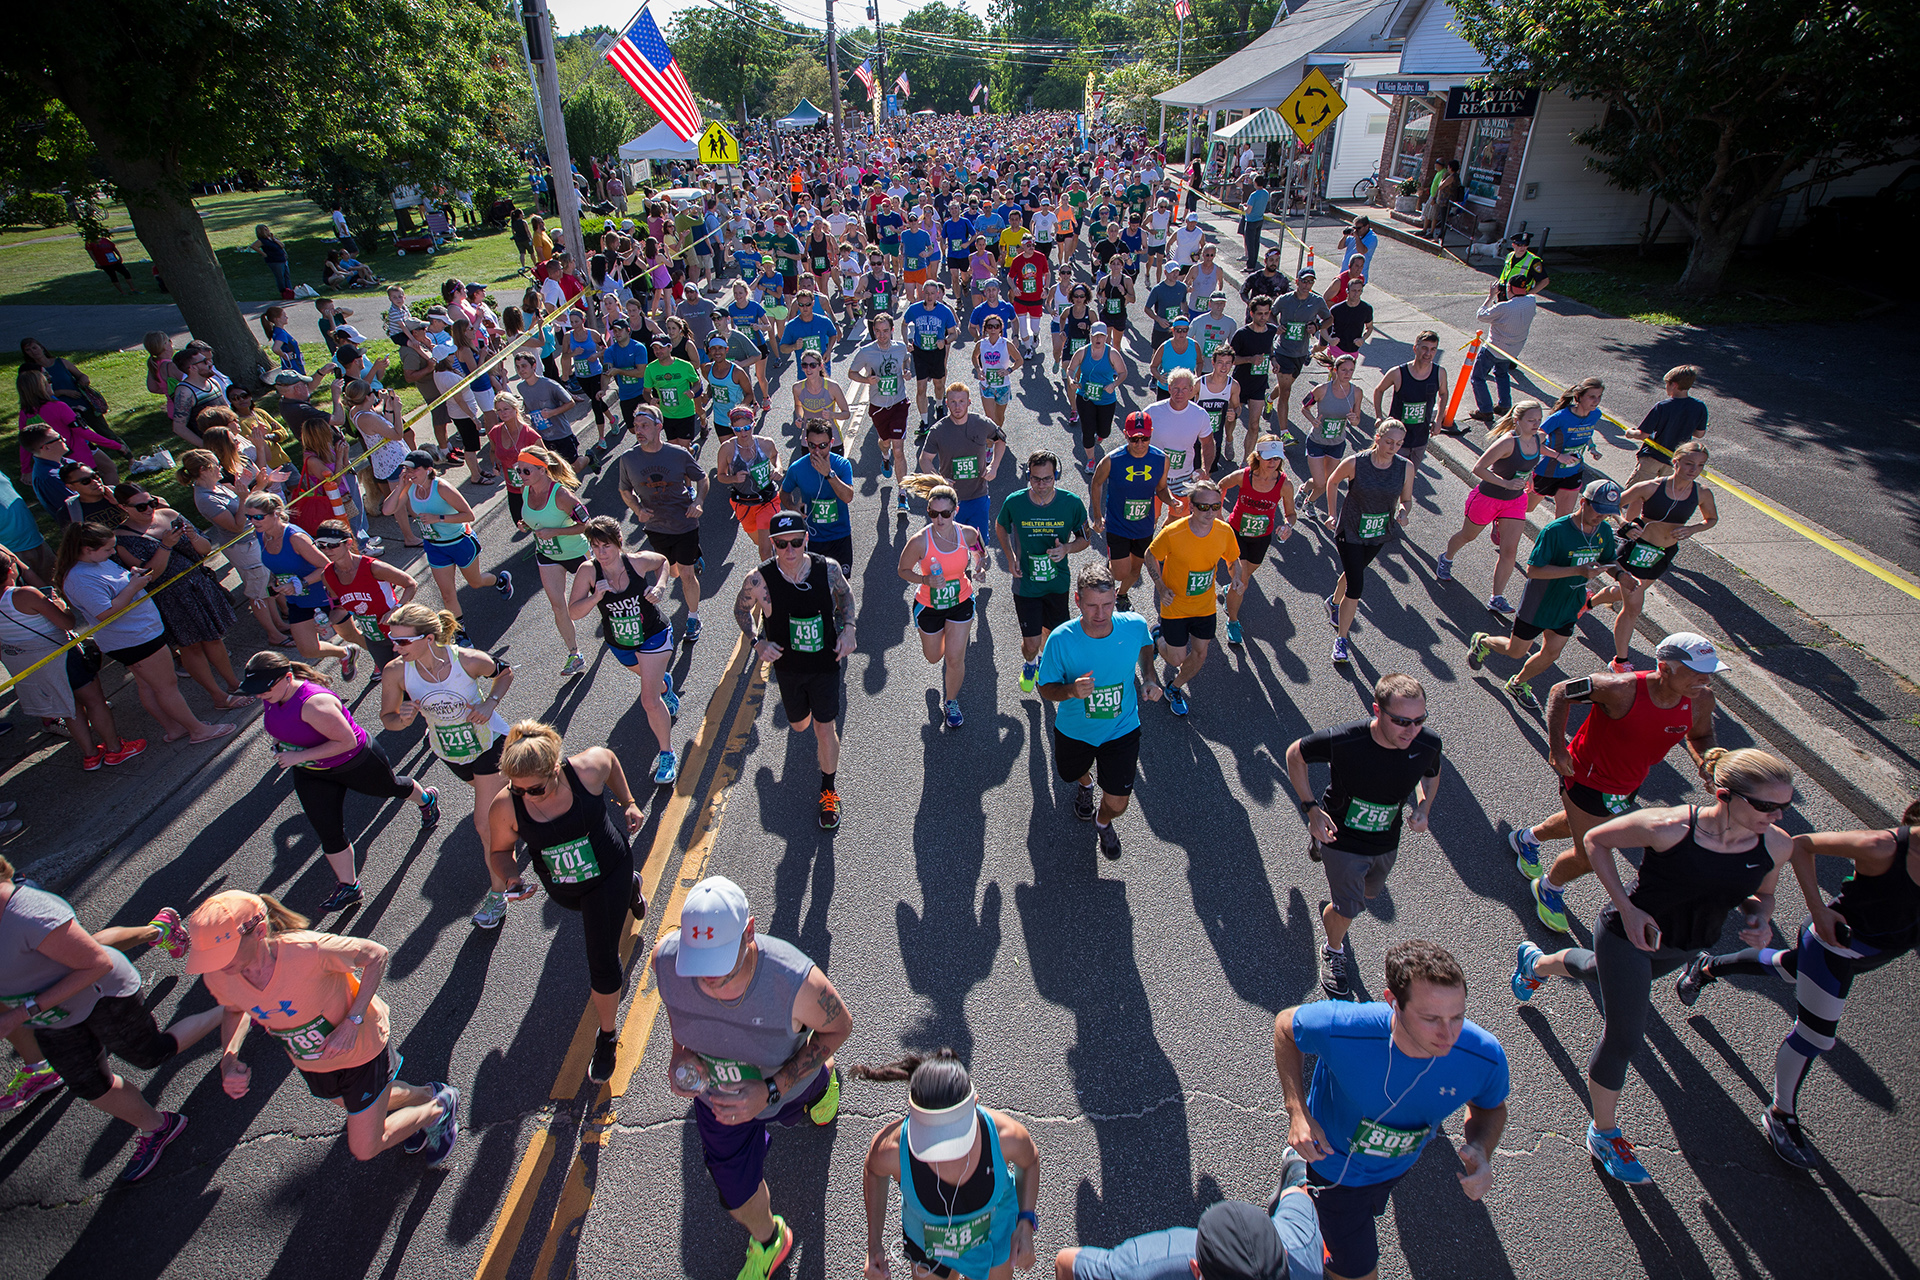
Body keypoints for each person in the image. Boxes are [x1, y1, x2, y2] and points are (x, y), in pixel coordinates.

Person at [1511, 748, 1794, 1185]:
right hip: (1627, 934)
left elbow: (1762, 894)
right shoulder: (1670, 826)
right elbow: (1595, 840)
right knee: (1624, 1037)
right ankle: (1603, 1134)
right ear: (1725, 795)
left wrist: (1759, 918)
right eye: (1765, 805)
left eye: (1784, 806)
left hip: (1684, 945)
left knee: (1592, 970)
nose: (1776, 816)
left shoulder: (1775, 844)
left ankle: (1536, 964)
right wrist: (1626, 908)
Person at [1678, 801, 1920, 1169]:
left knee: (1789, 968)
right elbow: (1802, 844)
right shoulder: (1881, 846)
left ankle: (1707, 967)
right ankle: (1780, 1115)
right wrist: (1819, 909)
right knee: (1815, 1036)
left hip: (1873, 953)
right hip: (1833, 946)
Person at [654, 875, 853, 1280]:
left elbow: (839, 1028)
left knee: (809, 1083)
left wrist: (772, 1090)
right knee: (734, 1196)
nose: (706, 978)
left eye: (718, 961)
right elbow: (679, 1022)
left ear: (749, 932)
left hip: (785, 1084)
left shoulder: (796, 981)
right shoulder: (666, 963)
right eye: (698, 962)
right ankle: (770, 1239)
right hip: (719, 1103)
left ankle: (823, 1084)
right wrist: (681, 1058)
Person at [1274, 940, 1508, 1280]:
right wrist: (1297, 1112)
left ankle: (1295, 1181)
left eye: (1457, 1016)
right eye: (1431, 1018)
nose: (1449, 1034)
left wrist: (1483, 1149)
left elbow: (1491, 1108)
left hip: (1396, 1168)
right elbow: (1285, 1026)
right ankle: (1301, 1184)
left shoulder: (1484, 1056)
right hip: (1334, 1169)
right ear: (1393, 1003)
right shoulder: (1343, 1028)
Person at [190, 889, 457, 1165]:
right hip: (315, 1062)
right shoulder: (221, 976)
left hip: (361, 1049)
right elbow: (234, 1009)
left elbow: (376, 955)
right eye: (210, 956)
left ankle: (440, 1108)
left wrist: (352, 1021)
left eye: (224, 952)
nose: (216, 965)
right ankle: (427, 1095)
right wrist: (229, 1059)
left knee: (365, 1147)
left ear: (258, 932)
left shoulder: (307, 951)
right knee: (360, 1102)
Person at [0, 859, 227, 1180]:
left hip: (100, 995)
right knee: (88, 1084)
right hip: (54, 1015)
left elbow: (96, 963)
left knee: (151, 1054)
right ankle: (159, 1127)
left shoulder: (27, 912)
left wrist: (22, 1014)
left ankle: (235, 1007)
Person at [1513, 631, 1723, 933]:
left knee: (1582, 822)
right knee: (1588, 855)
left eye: (1709, 674)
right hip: (1587, 776)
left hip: (1628, 783)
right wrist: (1557, 747)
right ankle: (1549, 887)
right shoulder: (1620, 688)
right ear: (1664, 668)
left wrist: (1708, 762)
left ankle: (1527, 838)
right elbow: (1561, 691)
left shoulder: (1701, 699)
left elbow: (1701, 736)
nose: (1704, 681)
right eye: (1696, 674)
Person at [486, 722, 649, 1077]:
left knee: (602, 960)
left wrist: (630, 803)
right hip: (564, 888)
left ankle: (606, 1037)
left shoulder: (586, 770)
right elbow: (498, 851)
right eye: (518, 788)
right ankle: (630, 891)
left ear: (556, 769)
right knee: (597, 913)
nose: (526, 795)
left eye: (536, 789)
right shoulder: (506, 806)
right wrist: (512, 876)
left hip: (608, 870)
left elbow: (610, 760)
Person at [1285, 674, 1445, 1000]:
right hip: (1342, 835)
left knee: (1370, 895)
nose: (1411, 730)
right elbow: (1294, 755)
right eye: (1401, 721)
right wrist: (1312, 809)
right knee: (1348, 908)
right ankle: (1333, 949)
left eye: (1419, 720)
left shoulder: (1427, 743)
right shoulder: (1346, 740)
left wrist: (1425, 807)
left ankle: (1333, 884)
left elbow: (1431, 774)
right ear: (1377, 710)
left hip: (1386, 839)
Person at [242, 649, 439, 912]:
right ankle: (349, 886)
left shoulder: (314, 704)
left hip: (356, 763)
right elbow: (283, 724)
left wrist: (294, 757)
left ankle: (427, 800)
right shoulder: (272, 694)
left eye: (262, 690)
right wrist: (282, 744)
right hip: (312, 772)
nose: (258, 696)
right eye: (254, 690)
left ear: (287, 678)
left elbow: (346, 741)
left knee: (393, 788)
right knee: (328, 830)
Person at [855, 1048, 1040, 1280]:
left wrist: (1025, 1220)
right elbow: (873, 1172)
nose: (945, 1154)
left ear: (975, 1103)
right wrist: (874, 1245)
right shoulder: (892, 1150)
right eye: (933, 1139)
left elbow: (1030, 1161)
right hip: (928, 1245)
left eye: (954, 1137)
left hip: (995, 1233)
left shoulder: (1006, 1137)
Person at [54, 522, 236, 748]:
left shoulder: (95, 563)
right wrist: (134, 586)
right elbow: (104, 612)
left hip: (139, 633)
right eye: (108, 549)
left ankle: (174, 728)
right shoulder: (80, 578)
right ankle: (198, 730)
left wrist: (132, 578)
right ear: (87, 550)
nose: (113, 552)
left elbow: (115, 590)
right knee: (166, 686)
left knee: (149, 686)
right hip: (134, 639)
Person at [733, 512, 857, 830]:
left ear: (806, 539)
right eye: (782, 544)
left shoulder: (826, 569)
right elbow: (741, 609)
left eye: (797, 542)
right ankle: (768, 785)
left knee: (824, 727)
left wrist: (849, 629)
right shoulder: (759, 579)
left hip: (825, 663)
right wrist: (756, 642)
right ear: (772, 543)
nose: (790, 550)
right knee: (800, 726)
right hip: (787, 667)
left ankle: (828, 790)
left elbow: (845, 596)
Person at [1036, 563, 1161, 860]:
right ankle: (1086, 784)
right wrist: (1069, 691)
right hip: (1075, 730)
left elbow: (1145, 646)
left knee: (1119, 802)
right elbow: (1045, 688)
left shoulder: (1133, 625)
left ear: (1116, 597)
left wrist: (1149, 677)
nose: (1101, 614)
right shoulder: (1060, 640)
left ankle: (1102, 821)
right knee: (1071, 773)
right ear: (1078, 601)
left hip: (1122, 727)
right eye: (1092, 606)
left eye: (1107, 605)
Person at [1466, 478, 1621, 710]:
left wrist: (1623, 576)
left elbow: (1610, 559)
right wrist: (1578, 570)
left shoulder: (1604, 531)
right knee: (1516, 651)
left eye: (1607, 514)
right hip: (1539, 604)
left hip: (1570, 604)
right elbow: (1533, 571)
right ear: (1583, 503)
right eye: (1599, 511)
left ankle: (1518, 683)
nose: (1601, 518)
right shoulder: (1555, 531)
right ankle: (1482, 641)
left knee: (1551, 653)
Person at [1582, 442, 1718, 672]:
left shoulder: (1701, 493)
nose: (1694, 469)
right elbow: (1611, 505)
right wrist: (1624, 523)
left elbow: (1711, 519)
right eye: (1688, 464)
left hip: (1662, 554)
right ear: (1675, 462)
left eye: (1700, 466)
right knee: (1633, 606)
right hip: (1637, 549)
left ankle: (1587, 602)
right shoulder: (1651, 487)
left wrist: (1692, 529)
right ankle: (1620, 662)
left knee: (1624, 592)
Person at [1433, 402, 1570, 614]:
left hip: (1515, 501)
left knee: (1510, 551)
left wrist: (1557, 457)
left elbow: (1538, 448)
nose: (1537, 424)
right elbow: (1478, 467)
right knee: (1467, 536)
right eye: (1531, 420)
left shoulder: (1538, 437)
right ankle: (1446, 557)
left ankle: (1496, 597)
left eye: (1539, 420)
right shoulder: (1507, 443)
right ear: (1517, 421)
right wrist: (1505, 483)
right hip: (1488, 498)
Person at [383, 451, 513, 641]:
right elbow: (387, 510)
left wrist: (439, 518)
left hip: (460, 542)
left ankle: (500, 581)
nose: (409, 473)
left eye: (414, 469)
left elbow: (468, 515)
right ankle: (460, 633)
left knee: (475, 582)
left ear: (428, 470)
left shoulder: (442, 488)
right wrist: (400, 486)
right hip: (435, 546)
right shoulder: (409, 487)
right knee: (447, 594)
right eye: (407, 469)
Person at [1055, 1190, 1321, 1280]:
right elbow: (1298, 1196)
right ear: (1283, 1253)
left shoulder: (1150, 1265)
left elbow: (1066, 1263)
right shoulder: (1303, 1250)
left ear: (1195, 1270)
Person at [995, 450, 1091, 694]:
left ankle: (1045, 664)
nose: (1041, 484)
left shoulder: (1071, 503)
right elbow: (1000, 526)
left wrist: (1067, 548)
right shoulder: (1015, 502)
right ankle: (1030, 664)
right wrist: (1010, 557)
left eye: (1047, 478)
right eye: (1036, 479)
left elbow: (1086, 538)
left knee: (1051, 636)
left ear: (1056, 475)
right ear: (1028, 476)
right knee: (1031, 643)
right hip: (1026, 584)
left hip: (1057, 584)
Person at [898, 479, 990, 731]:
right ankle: (935, 650)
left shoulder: (968, 534)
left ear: (955, 512)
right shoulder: (919, 541)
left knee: (954, 658)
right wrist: (925, 579)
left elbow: (982, 554)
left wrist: (980, 567)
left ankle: (950, 702)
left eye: (945, 514)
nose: (939, 519)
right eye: (933, 513)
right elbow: (903, 570)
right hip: (929, 605)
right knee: (933, 657)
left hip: (961, 601)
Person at [1142, 478, 1237, 717]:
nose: (1210, 512)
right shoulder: (1174, 533)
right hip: (1175, 606)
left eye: (1216, 506)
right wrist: (1161, 587)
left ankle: (1174, 688)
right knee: (1175, 659)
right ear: (1191, 507)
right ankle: (1157, 638)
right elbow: (1149, 555)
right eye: (1204, 507)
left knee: (1200, 653)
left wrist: (1237, 577)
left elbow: (1233, 559)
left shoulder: (1224, 532)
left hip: (1205, 606)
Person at [1321, 420, 1413, 666]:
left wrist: (1403, 512)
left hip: (1378, 532)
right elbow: (1332, 481)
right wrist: (1332, 512)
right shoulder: (1356, 462)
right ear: (1377, 438)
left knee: (1355, 571)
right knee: (1356, 586)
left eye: (1399, 444)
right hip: (1350, 530)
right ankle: (1342, 639)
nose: (1394, 447)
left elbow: (1406, 499)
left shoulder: (1405, 467)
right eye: (1389, 442)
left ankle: (1333, 602)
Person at [618, 406, 709, 641]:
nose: (639, 430)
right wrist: (637, 509)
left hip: (684, 522)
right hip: (656, 527)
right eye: (636, 426)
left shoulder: (678, 453)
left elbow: (702, 478)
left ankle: (693, 617)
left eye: (644, 425)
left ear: (659, 427)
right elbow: (624, 490)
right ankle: (693, 557)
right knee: (675, 572)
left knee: (687, 574)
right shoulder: (628, 458)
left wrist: (698, 501)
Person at [247, 492, 357, 671]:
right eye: (249, 516)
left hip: (322, 596)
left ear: (275, 513)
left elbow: (326, 567)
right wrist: (275, 582)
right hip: (298, 600)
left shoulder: (295, 538)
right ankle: (346, 653)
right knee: (308, 650)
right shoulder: (261, 534)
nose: (253, 521)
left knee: (352, 635)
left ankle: (385, 661)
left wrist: (299, 583)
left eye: (258, 516)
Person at [1217, 437, 1296, 647]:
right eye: (1269, 458)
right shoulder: (1244, 476)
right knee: (1242, 581)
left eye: (1277, 458)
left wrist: (1288, 526)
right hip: (1236, 533)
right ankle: (1233, 621)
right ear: (1258, 456)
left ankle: (1230, 590)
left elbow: (1291, 513)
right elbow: (1219, 486)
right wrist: (1218, 515)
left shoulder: (1284, 484)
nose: (1273, 463)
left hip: (1261, 538)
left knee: (1245, 575)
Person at [1089, 412, 1169, 611]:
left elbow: (1161, 488)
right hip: (1118, 525)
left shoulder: (1161, 459)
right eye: (1134, 438)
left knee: (1135, 570)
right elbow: (1097, 483)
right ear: (1125, 434)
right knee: (1119, 572)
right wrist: (1098, 516)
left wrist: (1172, 500)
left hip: (1144, 526)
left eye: (1145, 438)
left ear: (1151, 433)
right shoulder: (1112, 460)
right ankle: (1109, 581)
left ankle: (1121, 594)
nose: (1140, 443)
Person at [315, 520, 416, 674]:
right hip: (373, 638)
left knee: (406, 678)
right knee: (390, 679)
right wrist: (327, 623)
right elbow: (341, 607)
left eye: (332, 545)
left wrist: (397, 609)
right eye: (321, 545)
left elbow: (410, 584)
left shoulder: (373, 567)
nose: (327, 550)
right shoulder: (327, 575)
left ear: (348, 543)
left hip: (397, 631)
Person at [917, 384, 1008, 541]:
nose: (957, 406)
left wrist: (994, 466)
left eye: (961, 401)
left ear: (969, 402)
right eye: (953, 402)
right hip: (950, 500)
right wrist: (940, 481)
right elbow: (925, 459)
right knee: (952, 543)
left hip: (978, 496)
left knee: (978, 543)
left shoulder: (981, 423)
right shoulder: (938, 431)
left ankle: (980, 564)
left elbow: (1000, 439)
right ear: (946, 403)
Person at [847, 313, 915, 499]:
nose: (882, 335)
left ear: (892, 330)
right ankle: (885, 457)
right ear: (874, 331)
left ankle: (902, 493)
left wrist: (906, 371)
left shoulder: (900, 348)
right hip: (878, 406)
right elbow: (851, 373)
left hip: (899, 403)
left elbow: (906, 359)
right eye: (878, 331)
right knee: (885, 443)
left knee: (899, 449)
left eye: (886, 331)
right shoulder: (866, 352)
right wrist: (867, 380)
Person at [1297, 353, 1365, 525]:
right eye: (1343, 370)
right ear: (1335, 370)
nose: (1347, 374)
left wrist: (1354, 420)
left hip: (1337, 443)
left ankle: (1309, 502)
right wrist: (1313, 420)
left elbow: (1357, 421)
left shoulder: (1357, 392)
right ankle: (1304, 488)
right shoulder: (1321, 390)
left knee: (1327, 481)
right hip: (1317, 442)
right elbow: (1304, 407)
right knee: (1319, 481)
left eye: (1351, 370)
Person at [780, 419, 856, 572]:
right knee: (817, 585)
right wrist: (793, 508)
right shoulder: (797, 468)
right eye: (811, 445)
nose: (817, 451)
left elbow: (848, 497)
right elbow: (784, 493)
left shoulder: (842, 465)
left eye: (823, 446)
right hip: (813, 538)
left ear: (831, 442)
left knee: (841, 585)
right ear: (806, 442)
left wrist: (829, 474)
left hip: (839, 536)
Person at [1530, 377, 1606, 519]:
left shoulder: (1595, 414)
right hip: (1547, 471)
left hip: (1573, 471)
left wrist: (1592, 447)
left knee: (1563, 518)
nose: (1596, 401)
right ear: (1578, 397)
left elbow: (1587, 431)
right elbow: (1534, 443)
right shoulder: (1560, 417)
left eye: (1599, 396)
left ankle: (1553, 540)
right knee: (1526, 508)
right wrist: (1559, 456)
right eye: (1591, 397)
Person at [1625, 365, 1708, 485]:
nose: (1666, 388)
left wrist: (1630, 433)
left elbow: (1643, 434)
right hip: (1675, 459)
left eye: (1667, 384)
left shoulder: (1662, 406)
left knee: (1636, 489)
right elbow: (1700, 433)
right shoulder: (1700, 407)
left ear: (1674, 385)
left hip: (1653, 455)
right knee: (1664, 491)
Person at [1469, 279, 1536, 423]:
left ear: (1509, 287)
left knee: (1477, 377)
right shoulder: (1531, 301)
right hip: (1512, 351)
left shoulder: (1503, 308)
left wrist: (1490, 296)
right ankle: (1504, 405)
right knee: (1501, 373)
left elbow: (1481, 315)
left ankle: (1485, 410)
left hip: (1493, 348)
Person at [1271, 273, 1330, 437]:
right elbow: (1271, 313)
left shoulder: (1317, 301)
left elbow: (1329, 319)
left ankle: (1269, 399)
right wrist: (1276, 325)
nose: (1307, 285)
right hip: (1283, 350)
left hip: (1301, 352)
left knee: (1286, 386)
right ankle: (1284, 433)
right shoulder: (1284, 299)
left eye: (1310, 282)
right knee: (1286, 392)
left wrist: (1317, 327)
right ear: (1297, 282)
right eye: (1304, 281)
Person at [1067, 322, 1131, 474]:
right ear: (1090, 336)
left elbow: (1123, 373)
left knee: (1105, 431)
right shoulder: (1082, 352)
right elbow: (1070, 369)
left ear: (1106, 337)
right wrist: (1071, 380)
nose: (1098, 339)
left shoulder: (1112, 353)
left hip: (1106, 398)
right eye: (1095, 336)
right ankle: (1091, 460)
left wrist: (1114, 384)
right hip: (1085, 396)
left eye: (1102, 336)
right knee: (1087, 429)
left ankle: (1100, 435)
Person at [1229, 296, 1278, 463]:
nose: (1263, 317)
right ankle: (1229, 440)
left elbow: (1269, 348)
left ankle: (1246, 461)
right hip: (1240, 383)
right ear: (1251, 314)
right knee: (1232, 417)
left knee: (1254, 425)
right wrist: (1250, 359)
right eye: (1259, 314)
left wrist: (1273, 360)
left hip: (1259, 383)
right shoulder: (1242, 334)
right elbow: (1231, 360)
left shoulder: (1271, 330)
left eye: (1266, 313)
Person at [904, 282, 961, 422]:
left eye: (932, 293)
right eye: (927, 293)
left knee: (939, 384)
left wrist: (946, 341)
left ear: (937, 294)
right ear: (923, 293)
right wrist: (906, 342)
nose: (930, 297)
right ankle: (924, 421)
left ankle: (940, 405)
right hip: (920, 352)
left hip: (937, 352)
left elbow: (954, 333)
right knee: (921, 388)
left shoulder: (944, 311)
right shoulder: (914, 309)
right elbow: (904, 324)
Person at [971, 314, 1022, 431]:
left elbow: (1019, 360)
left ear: (1000, 328)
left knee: (999, 418)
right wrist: (978, 370)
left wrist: (1009, 370)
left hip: (1003, 386)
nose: (993, 329)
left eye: (996, 326)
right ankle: (990, 444)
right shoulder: (981, 344)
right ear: (986, 329)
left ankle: (997, 434)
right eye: (990, 326)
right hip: (986, 385)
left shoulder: (1006, 344)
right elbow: (974, 356)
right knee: (990, 418)